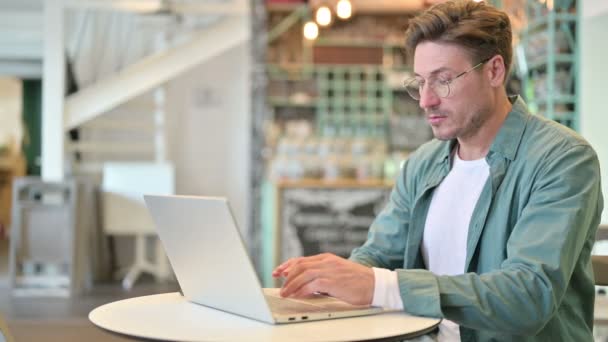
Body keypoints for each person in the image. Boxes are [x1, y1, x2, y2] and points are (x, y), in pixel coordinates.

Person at [272, 0, 604, 341]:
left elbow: (528, 294)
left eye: (443, 80)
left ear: (494, 70)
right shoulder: (423, 164)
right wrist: (332, 280)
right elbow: (381, 256)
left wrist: (379, 285)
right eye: (419, 82)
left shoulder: (562, 159)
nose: (426, 100)